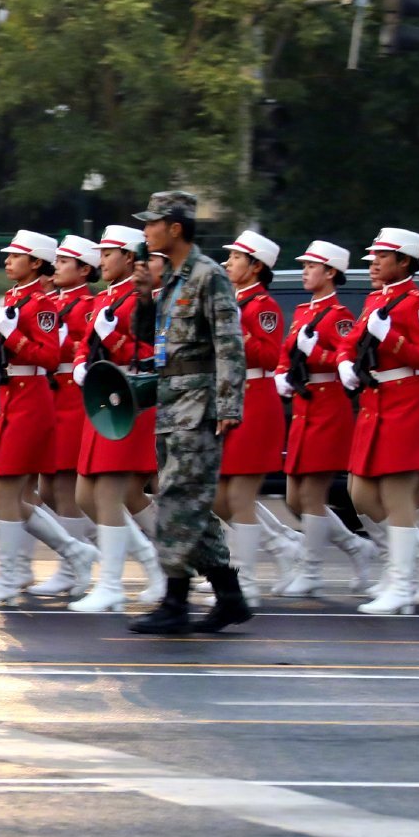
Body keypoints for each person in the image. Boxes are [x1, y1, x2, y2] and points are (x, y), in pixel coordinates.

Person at [126, 191, 249, 635]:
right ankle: (229, 594)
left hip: (198, 405)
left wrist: (229, 405)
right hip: (171, 400)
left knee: (179, 498)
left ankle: (175, 600)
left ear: (174, 227)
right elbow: (151, 339)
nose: (145, 231)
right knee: (188, 501)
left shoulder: (207, 275)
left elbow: (230, 344)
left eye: (152, 223)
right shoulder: (173, 279)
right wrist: (144, 297)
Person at [0, 230, 96, 606]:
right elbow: (7, 345)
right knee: (22, 493)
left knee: (7, 491)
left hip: (33, 399)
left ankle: (13, 575)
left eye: (15, 257)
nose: (7, 261)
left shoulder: (40, 303)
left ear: (34, 263)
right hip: (15, 397)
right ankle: (71, 554)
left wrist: (16, 341)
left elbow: (46, 356)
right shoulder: (16, 297)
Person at [336, 227, 419, 616]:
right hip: (376, 401)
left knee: (396, 494)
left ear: (403, 261)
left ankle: (402, 584)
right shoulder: (376, 299)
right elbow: (351, 339)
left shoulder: (418, 303)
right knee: (361, 495)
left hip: (406, 400)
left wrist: (392, 340)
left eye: (381, 257)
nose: (373, 263)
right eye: (372, 257)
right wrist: (343, 361)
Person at [66, 225, 167, 612]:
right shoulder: (102, 299)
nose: (102, 260)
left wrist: (116, 342)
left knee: (108, 491)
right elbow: (86, 344)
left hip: (129, 399)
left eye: (109, 253)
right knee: (85, 494)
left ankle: (111, 585)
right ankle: (160, 562)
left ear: (129, 258)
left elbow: (152, 351)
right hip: (103, 398)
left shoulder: (142, 298)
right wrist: (80, 365)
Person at [271, 241, 376, 597]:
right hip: (303, 405)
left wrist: (317, 351)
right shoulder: (303, 312)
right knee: (294, 497)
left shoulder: (339, 316)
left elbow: (346, 360)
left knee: (311, 495)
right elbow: (288, 353)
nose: (305, 272)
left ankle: (312, 571)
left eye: (312, 266)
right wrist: (283, 373)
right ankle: (355, 547)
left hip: (328, 406)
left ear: (330, 272)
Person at [216, 230, 288, 603]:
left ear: (256, 266)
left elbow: (268, 355)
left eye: (237, 258)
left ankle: (244, 583)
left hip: (255, 402)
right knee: (218, 498)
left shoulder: (264, 306)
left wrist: (235, 331)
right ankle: (279, 547)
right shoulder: (233, 300)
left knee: (240, 497)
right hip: (229, 399)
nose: (228, 263)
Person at [29, 234, 100, 598]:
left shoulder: (87, 305)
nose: (55, 267)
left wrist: (63, 344)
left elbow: (89, 344)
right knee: (47, 488)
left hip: (72, 395)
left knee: (63, 486)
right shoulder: (52, 302)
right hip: (50, 393)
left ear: (85, 269)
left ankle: (72, 566)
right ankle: (83, 551)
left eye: (64, 262)